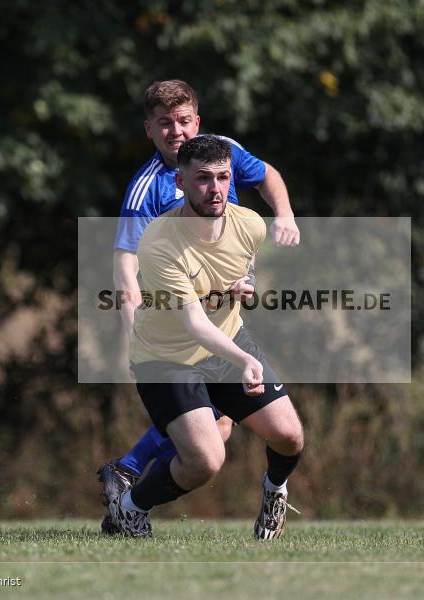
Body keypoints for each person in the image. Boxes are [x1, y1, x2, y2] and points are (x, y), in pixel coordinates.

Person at [99, 79, 299, 531]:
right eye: (165, 123)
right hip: (176, 330)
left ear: (198, 121)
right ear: (149, 129)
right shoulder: (147, 190)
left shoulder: (221, 153)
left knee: (229, 427)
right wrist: (133, 333)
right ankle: (130, 487)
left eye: (184, 120)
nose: (177, 131)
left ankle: (128, 470)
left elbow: (267, 177)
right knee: (211, 442)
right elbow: (126, 267)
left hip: (221, 323)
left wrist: (284, 215)